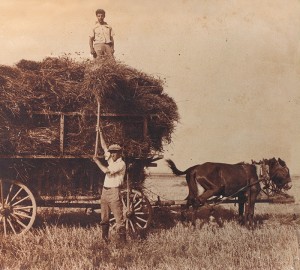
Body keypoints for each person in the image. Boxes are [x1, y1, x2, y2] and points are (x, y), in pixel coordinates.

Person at [92, 129, 126, 244]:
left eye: (115, 152)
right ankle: (105, 240)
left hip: (114, 192)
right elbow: (104, 147)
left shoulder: (121, 164)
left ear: (120, 153)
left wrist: (97, 161)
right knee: (104, 218)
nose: (112, 154)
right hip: (105, 192)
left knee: (118, 219)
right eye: (112, 152)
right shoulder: (112, 160)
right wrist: (100, 132)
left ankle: (123, 242)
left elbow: (106, 171)